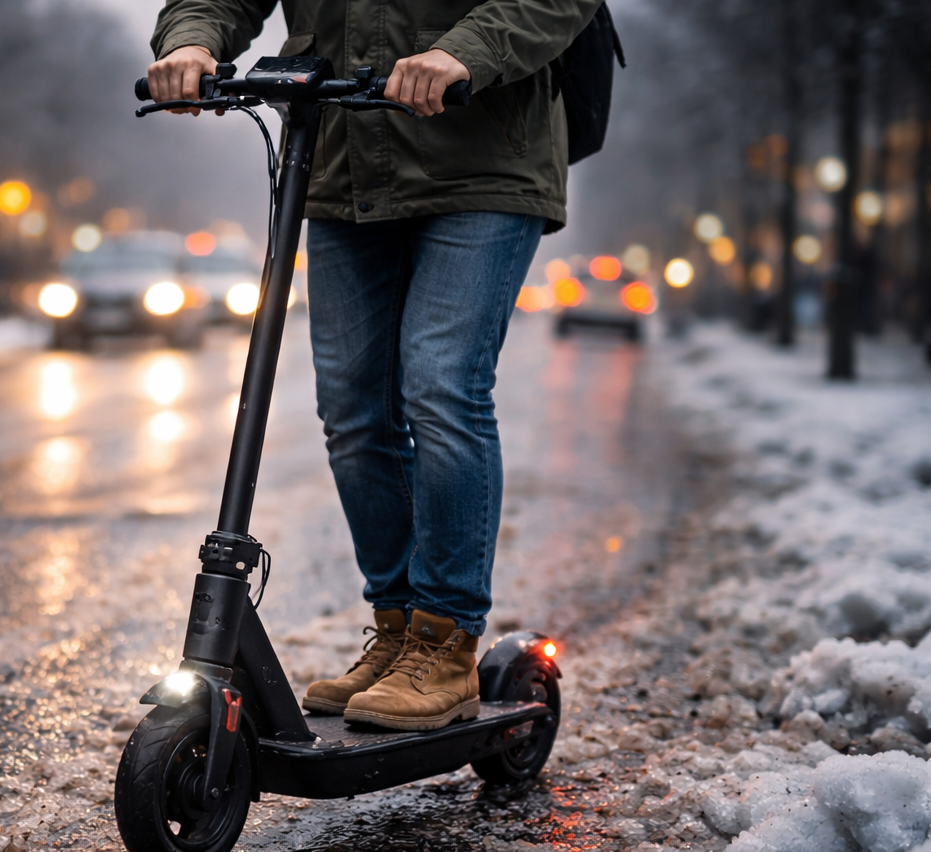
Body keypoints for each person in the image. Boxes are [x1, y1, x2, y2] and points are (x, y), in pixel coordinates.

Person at [148, 0, 599, 731]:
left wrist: (465, 53)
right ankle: (396, 631)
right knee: (354, 412)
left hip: (481, 157)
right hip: (344, 164)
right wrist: (193, 41)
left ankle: (445, 641)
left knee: (441, 385)